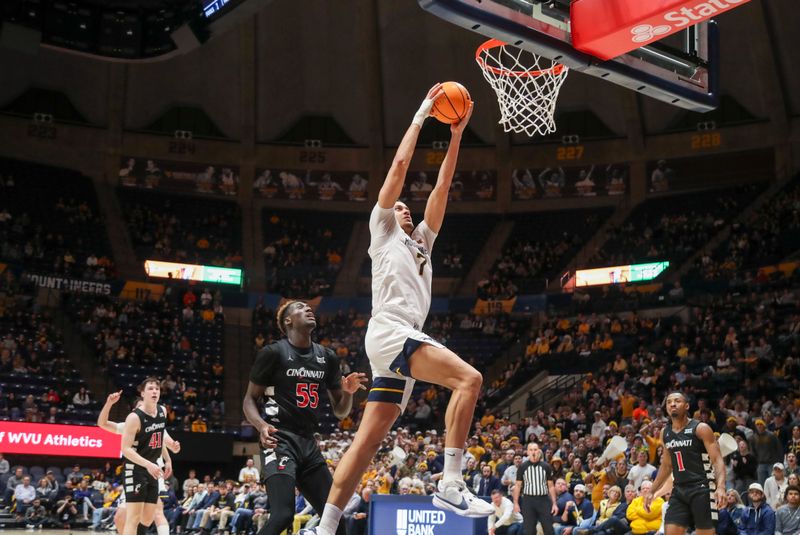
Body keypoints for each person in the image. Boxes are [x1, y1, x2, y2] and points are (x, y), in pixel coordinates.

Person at [301, 84, 487, 535]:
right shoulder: (382, 229)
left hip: (390, 345)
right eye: (399, 203)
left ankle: (323, 529)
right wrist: (423, 112)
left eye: (407, 205)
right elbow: (400, 165)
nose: (403, 206)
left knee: (366, 442)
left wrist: (458, 133)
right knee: (470, 379)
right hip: (391, 330)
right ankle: (451, 481)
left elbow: (443, 185)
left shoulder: (422, 239)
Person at [243, 300, 367, 535]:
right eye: (300, 308)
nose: (308, 309)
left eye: (309, 307)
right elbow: (249, 399)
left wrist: (349, 394)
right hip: (279, 441)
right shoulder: (273, 353)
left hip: (309, 444)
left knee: (336, 520)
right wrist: (260, 426)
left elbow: (340, 412)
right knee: (283, 515)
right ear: (288, 321)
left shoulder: (327, 357)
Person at [97, 390, 180, 535]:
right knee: (119, 518)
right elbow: (102, 423)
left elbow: (162, 443)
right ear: (135, 410)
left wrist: (168, 460)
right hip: (134, 473)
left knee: (157, 512)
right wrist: (109, 403)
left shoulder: (157, 422)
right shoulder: (130, 424)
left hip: (153, 472)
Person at [647, 392, 726, 535]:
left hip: (702, 488)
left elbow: (717, 460)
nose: (672, 404)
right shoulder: (665, 432)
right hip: (679, 490)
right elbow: (666, 465)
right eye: (669, 402)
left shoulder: (701, 428)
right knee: (670, 531)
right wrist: (652, 490)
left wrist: (720, 487)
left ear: (687, 406)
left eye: (677, 401)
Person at [120, 378, 172, 535]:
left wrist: (169, 456)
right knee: (133, 518)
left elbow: (160, 437)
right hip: (134, 469)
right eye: (150, 388)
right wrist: (148, 464)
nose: (155, 391)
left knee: (148, 519)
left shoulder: (162, 411)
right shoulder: (134, 417)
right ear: (142, 393)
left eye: (157, 388)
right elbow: (125, 449)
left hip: (153, 470)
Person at [514, 442, 558, 535]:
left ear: (539, 451)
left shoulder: (546, 466)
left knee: (549, 529)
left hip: (543, 500)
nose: (533, 452)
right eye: (531, 450)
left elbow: (551, 486)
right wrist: (516, 503)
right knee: (529, 531)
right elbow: (517, 486)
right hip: (528, 500)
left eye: (535, 449)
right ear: (527, 452)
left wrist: (554, 503)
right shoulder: (522, 467)